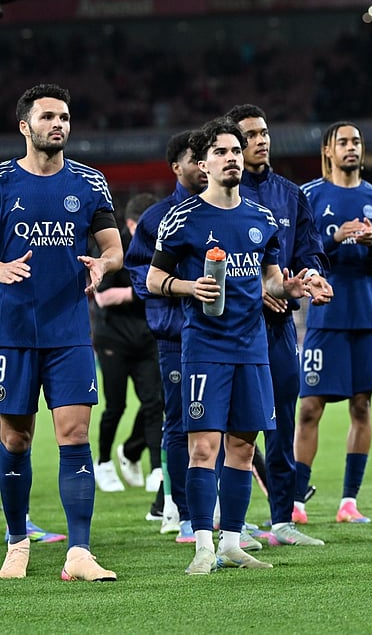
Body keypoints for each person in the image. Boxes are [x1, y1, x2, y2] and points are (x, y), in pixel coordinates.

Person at [147, 118, 332, 574]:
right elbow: (153, 279)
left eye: (236, 150)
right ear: (204, 164)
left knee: (244, 448)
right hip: (205, 347)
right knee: (203, 448)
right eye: (222, 152)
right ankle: (202, 545)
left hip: (253, 348)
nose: (232, 158)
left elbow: (271, 281)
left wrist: (295, 287)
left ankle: (231, 542)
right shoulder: (183, 218)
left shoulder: (261, 218)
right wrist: (189, 287)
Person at [0, 83, 123, 581]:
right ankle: (17, 544)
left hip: (69, 331)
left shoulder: (90, 182)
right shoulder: (3, 181)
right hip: (11, 333)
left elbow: (113, 247)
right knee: (15, 439)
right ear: (24, 126)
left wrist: (104, 264)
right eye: (48, 116)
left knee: (74, 435)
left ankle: (79, 552)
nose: (58, 124)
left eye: (65, 117)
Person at [225, 104, 328, 546]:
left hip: (279, 326)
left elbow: (309, 251)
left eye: (264, 133)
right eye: (250, 135)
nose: (261, 141)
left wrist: (310, 276)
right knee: (232, 426)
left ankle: (282, 521)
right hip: (231, 328)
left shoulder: (290, 194)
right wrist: (254, 289)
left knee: (282, 423)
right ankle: (230, 523)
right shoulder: (217, 196)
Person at [295, 121, 372, 525]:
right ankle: (296, 502)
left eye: (356, 141)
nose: (351, 147)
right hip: (325, 317)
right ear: (328, 150)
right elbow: (298, 256)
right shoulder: (308, 195)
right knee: (309, 408)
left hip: (366, 315)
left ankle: (349, 502)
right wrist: (335, 239)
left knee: (361, 405)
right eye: (343, 142)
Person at [126, 130, 207, 542]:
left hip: (221, 335)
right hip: (176, 336)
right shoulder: (158, 217)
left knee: (220, 425)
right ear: (176, 166)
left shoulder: (228, 209)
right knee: (178, 423)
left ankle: (219, 513)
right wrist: (180, 290)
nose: (204, 165)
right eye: (196, 158)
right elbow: (140, 274)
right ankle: (185, 515)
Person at [92, 193, 165, 512]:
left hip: (147, 336)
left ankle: (156, 468)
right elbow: (103, 297)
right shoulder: (113, 248)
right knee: (115, 405)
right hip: (113, 339)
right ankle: (104, 462)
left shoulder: (159, 246)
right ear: (133, 224)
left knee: (154, 402)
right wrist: (147, 289)